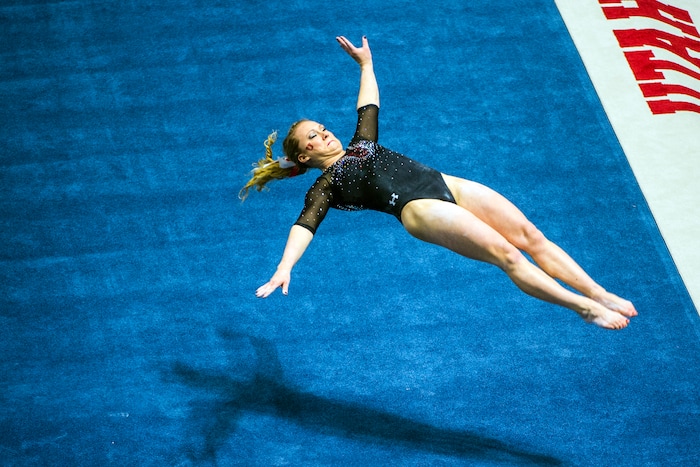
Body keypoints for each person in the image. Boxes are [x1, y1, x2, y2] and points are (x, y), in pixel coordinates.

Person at [241, 36, 637, 330]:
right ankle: (583, 308)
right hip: (418, 209)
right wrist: (284, 266)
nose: (324, 134)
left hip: (445, 184)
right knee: (508, 256)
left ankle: (598, 292)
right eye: (313, 136)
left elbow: (368, 104)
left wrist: (366, 66)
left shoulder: (361, 143)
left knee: (531, 236)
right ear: (305, 157)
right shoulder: (326, 184)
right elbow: (306, 223)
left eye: (322, 127)